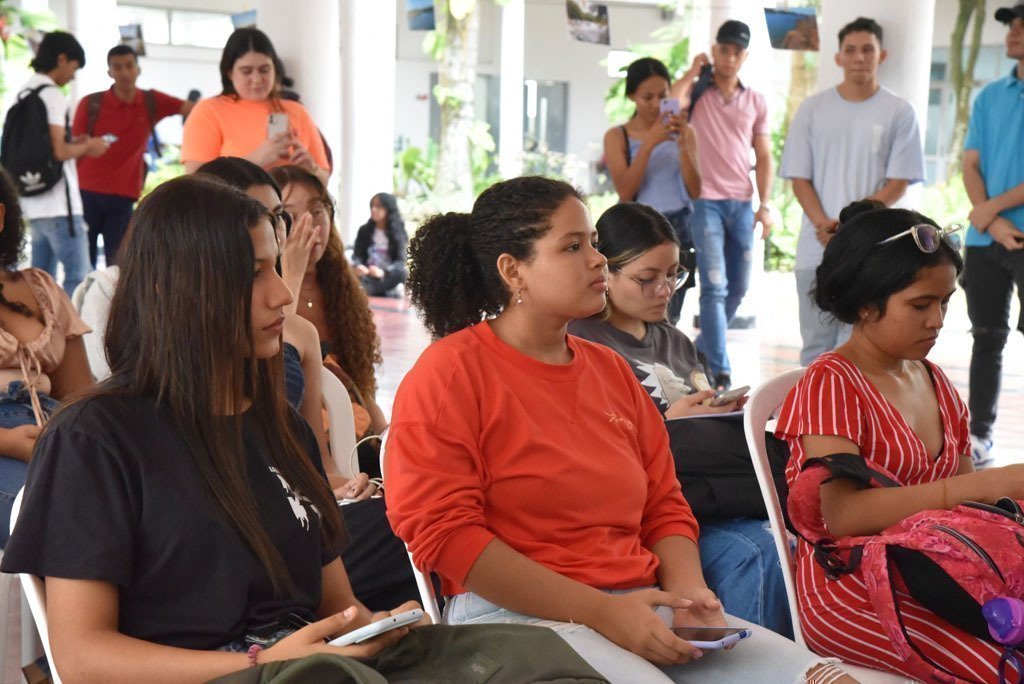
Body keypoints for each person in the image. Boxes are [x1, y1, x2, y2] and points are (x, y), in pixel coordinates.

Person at [384, 176, 853, 683]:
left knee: (826, 680)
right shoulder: (449, 373)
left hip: (638, 605)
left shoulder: (610, 370)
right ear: (512, 270)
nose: (597, 260)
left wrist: (688, 595)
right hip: (512, 620)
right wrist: (602, 613)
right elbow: (446, 536)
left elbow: (664, 504)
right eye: (572, 247)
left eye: (593, 243)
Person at [1, 175, 425, 680]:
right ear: (174, 289)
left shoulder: (282, 428)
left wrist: (375, 630)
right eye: (253, 274)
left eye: (275, 268)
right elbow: (81, 659)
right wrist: (260, 663)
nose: (281, 294)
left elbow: (338, 609)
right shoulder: (94, 439)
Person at [775, 200, 1024, 681]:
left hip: (937, 571)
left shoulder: (935, 381)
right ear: (865, 304)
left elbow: (970, 513)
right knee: (1007, 669)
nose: (938, 320)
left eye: (945, 301)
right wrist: (988, 484)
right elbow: (841, 516)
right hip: (853, 586)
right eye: (920, 305)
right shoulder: (831, 383)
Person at [568, 202, 791, 638]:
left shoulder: (674, 340)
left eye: (674, 275)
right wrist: (668, 421)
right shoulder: (584, 341)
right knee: (758, 552)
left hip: (708, 493)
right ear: (606, 272)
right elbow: (595, 444)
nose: (664, 290)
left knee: (791, 540)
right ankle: (742, 659)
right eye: (647, 278)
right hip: (654, 510)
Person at [780, 16, 924, 367]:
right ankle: (813, 404)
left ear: (882, 55)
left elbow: (898, 181)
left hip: (873, 250)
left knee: (864, 347)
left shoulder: (899, 111)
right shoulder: (812, 109)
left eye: (867, 50)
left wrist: (854, 227)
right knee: (815, 347)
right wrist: (824, 225)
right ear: (838, 57)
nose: (859, 57)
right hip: (815, 248)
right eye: (851, 50)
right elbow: (799, 178)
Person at [672, 20, 773, 391]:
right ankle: (720, 370)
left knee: (738, 288)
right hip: (705, 202)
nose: (729, 57)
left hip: (742, 203)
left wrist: (766, 204)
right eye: (724, 50)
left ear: (745, 56)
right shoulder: (699, 91)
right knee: (713, 287)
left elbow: (764, 154)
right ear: (714, 51)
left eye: (737, 51)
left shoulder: (755, 100)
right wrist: (692, 72)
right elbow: (669, 105)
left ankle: (703, 347)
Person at [0, 168, 92, 547]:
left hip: (59, 434)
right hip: (8, 444)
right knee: (63, 519)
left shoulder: (40, 287)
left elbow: (81, 395)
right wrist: (8, 442)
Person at [269, 166, 388, 440]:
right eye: (290, 216)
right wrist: (292, 272)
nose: (309, 226)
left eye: (316, 211)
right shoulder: (262, 292)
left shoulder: (340, 286)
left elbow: (360, 386)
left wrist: (386, 438)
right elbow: (274, 363)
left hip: (351, 433)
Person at [959, 1, 1024, 467]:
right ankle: (980, 435)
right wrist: (991, 222)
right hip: (985, 242)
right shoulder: (990, 95)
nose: (1012, 34)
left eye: (1022, 27)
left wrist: (988, 211)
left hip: (1005, 231)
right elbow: (970, 163)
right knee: (986, 338)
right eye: (1010, 27)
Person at [72, 44, 195, 268]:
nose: (124, 72)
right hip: (87, 192)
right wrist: (89, 145)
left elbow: (194, 109)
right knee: (83, 263)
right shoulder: (91, 103)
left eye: (129, 66)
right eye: (117, 67)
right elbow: (74, 144)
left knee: (118, 264)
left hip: (123, 196)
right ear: (109, 72)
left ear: (138, 69)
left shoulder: (151, 101)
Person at [603, 57, 701, 326]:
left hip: (678, 227)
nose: (657, 104)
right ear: (632, 96)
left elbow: (695, 190)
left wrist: (683, 145)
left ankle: (664, 352)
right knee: (635, 312)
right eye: (647, 97)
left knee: (670, 315)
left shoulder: (685, 132)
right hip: (637, 230)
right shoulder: (617, 136)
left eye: (663, 96)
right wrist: (648, 145)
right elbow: (625, 191)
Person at [13, 31, 109, 295]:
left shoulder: (24, 92)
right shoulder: (52, 95)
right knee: (80, 278)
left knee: (39, 282)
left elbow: (45, 146)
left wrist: (74, 141)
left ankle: (41, 323)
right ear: (62, 59)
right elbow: (59, 151)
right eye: (74, 68)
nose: (73, 76)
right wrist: (89, 146)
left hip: (33, 203)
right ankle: (71, 325)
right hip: (60, 206)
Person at [182, 28, 329, 183]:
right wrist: (255, 160)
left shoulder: (296, 111)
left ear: (275, 69)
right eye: (246, 71)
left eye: (265, 70)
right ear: (230, 73)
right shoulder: (208, 111)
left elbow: (323, 179)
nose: (257, 79)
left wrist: (311, 170)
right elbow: (196, 182)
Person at [352, 193, 409, 297]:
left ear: (388, 209)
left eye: (378, 206)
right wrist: (359, 266)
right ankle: (374, 289)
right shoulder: (364, 230)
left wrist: (383, 272)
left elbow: (400, 261)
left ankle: (369, 289)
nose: (373, 209)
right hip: (366, 274)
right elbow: (357, 255)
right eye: (372, 206)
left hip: (386, 275)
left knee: (402, 273)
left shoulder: (398, 232)